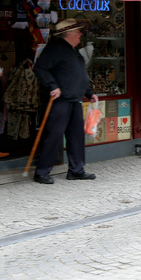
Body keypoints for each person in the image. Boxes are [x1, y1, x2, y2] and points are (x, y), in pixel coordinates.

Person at [32, 19, 97, 184]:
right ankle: (42, 172)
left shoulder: (73, 50)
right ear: (69, 33)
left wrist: (89, 92)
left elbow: (77, 75)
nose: (81, 34)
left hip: (75, 100)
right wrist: (52, 85)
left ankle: (76, 170)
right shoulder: (54, 49)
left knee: (76, 137)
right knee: (53, 136)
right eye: (78, 32)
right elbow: (40, 68)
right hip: (60, 101)